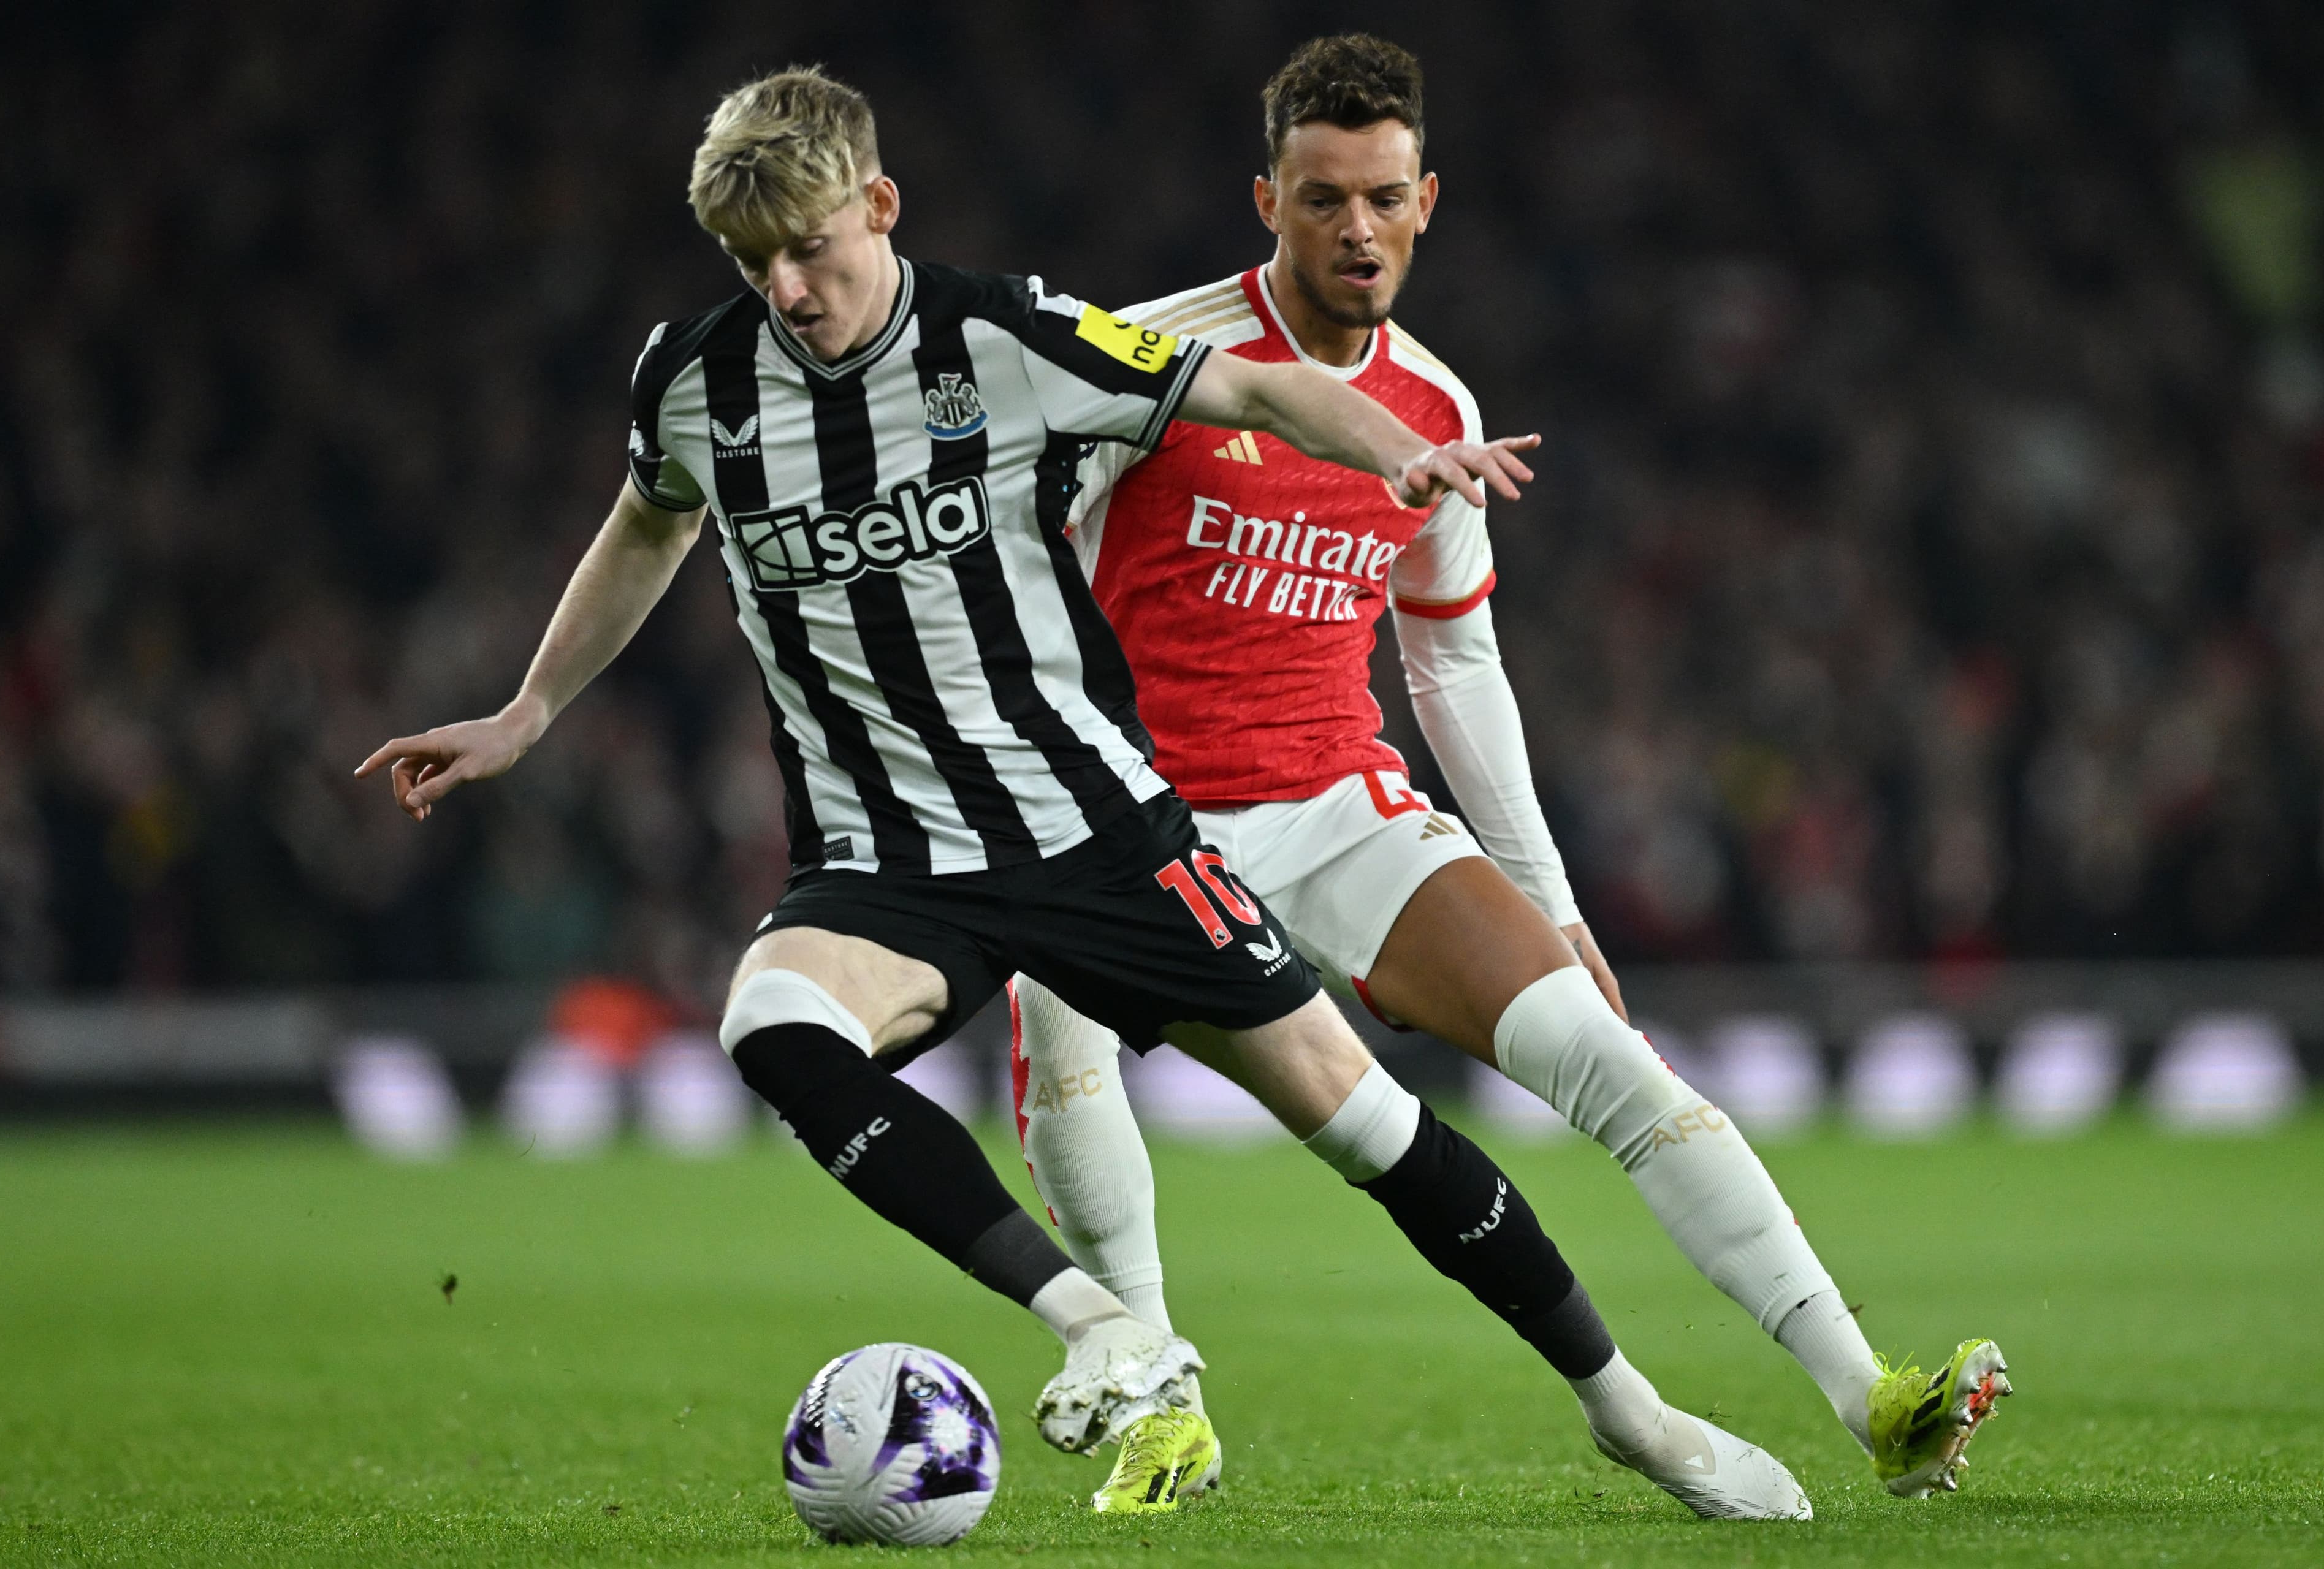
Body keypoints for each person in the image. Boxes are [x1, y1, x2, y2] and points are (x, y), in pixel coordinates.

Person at [355, 65, 1809, 1522]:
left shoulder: (1005, 333)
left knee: (1364, 1125)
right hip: (887, 855)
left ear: (880, 204)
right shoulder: (694, 379)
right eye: (755, 263)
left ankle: (1634, 1410)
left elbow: (1257, 383)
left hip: (1094, 829)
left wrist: (1407, 452)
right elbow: (645, 523)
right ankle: (1106, 1324)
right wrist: (529, 708)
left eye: (814, 246)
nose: (788, 289)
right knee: (773, 1026)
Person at [1007, 34, 2008, 1515]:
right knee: (1059, 1023)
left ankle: (1871, 1393)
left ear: (1429, 203)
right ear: (1266, 198)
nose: (1357, 228)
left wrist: (1550, 897)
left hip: (1343, 803)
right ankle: (1163, 1399)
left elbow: (1453, 663)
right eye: (1323, 197)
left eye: (1385, 198)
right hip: (1143, 816)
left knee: (1612, 1059)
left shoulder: (1439, 409)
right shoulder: (1152, 360)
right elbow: (1006, 555)